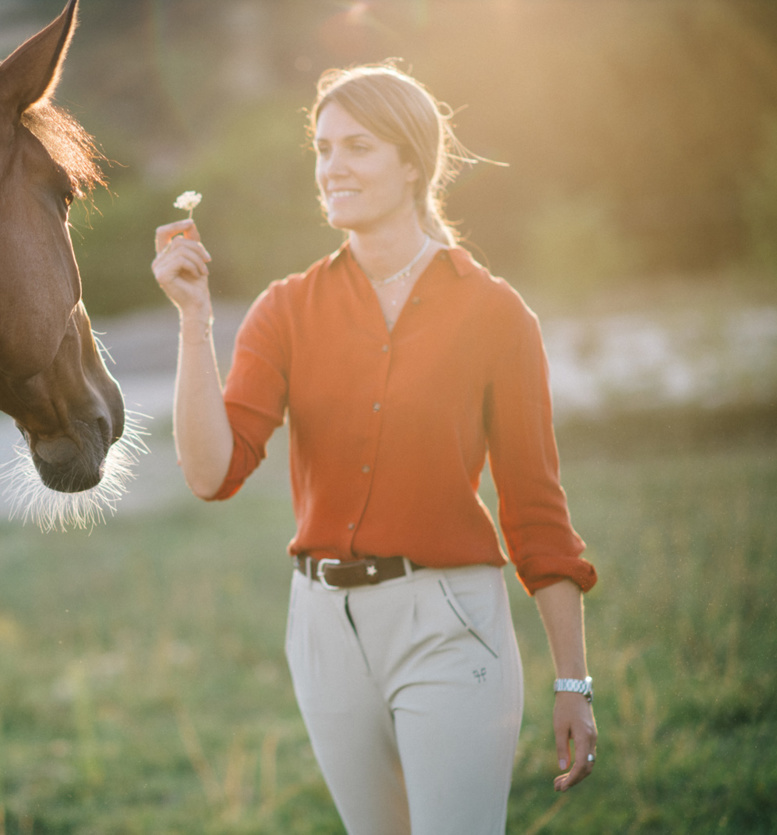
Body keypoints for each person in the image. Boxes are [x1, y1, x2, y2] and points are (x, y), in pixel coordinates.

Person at [151, 62, 598, 834]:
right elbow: (209, 471)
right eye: (322, 149)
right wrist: (193, 318)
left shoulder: (495, 314)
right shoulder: (285, 309)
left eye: (356, 146)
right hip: (323, 628)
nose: (332, 168)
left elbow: (534, 509)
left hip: (449, 620)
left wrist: (573, 680)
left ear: (411, 161)